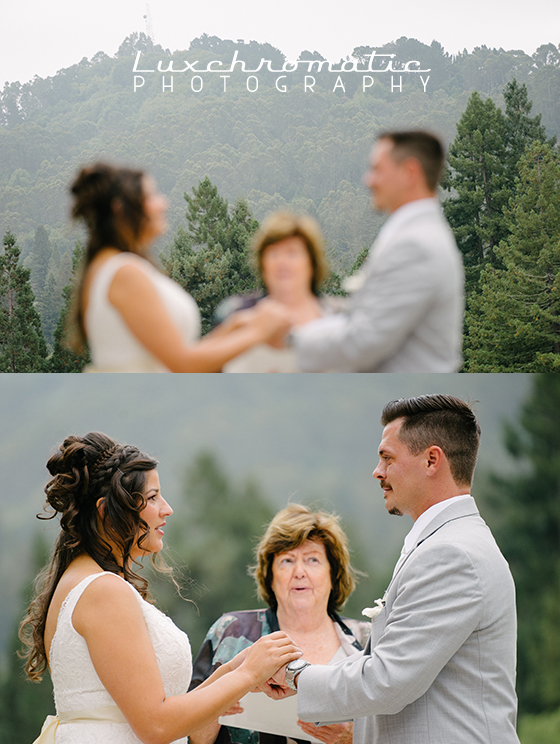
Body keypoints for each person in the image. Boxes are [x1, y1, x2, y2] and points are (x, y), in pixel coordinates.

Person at [263, 395, 520, 744]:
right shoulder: (447, 542)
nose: (377, 471)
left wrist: (295, 673)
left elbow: (387, 681)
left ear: (432, 460)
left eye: (387, 457)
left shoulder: (451, 554)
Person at [20, 432, 301, 744]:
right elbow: (156, 725)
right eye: (152, 498)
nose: (167, 509)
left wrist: (240, 668)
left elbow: (153, 707)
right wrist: (248, 674)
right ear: (105, 511)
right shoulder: (103, 591)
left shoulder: (83, 580)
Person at [67, 163, 290, 372]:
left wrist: (233, 327)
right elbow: (183, 365)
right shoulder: (125, 273)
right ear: (120, 209)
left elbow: (172, 357)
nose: (164, 203)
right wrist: (258, 332)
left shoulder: (109, 268)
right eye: (151, 196)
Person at [188, 504, 370, 744]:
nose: (299, 571)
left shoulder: (368, 640)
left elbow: (404, 728)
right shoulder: (231, 631)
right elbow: (188, 735)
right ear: (270, 575)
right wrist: (213, 709)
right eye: (286, 560)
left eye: (313, 559)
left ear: (333, 573)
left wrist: (355, 738)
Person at [292, 131, 464, 372]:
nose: (367, 180)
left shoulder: (415, 246)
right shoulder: (414, 233)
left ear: (409, 173)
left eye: (377, 170)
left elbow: (365, 341)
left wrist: (292, 337)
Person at [220, 212, 341, 372]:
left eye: (292, 253)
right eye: (274, 253)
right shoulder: (234, 312)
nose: (282, 262)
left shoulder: (339, 317)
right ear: (262, 264)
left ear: (312, 263)